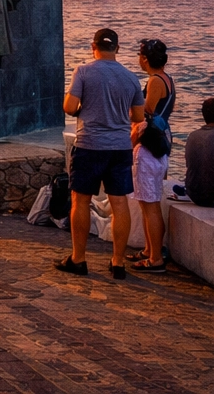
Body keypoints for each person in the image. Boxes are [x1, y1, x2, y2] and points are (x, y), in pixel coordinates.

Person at [57, 28, 145, 279]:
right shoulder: (131, 78)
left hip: (90, 145)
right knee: (119, 203)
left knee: (80, 200)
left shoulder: (83, 72)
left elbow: (69, 107)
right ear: (117, 48)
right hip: (120, 147)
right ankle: (118, 263)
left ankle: (78, 259)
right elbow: (138, 117)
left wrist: (86, 109)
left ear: (92, 47)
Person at [130, 39, 176, 272]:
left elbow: (144, 112)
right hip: (159, 141)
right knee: (149, 202)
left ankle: (155, 258)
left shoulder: (155, 81)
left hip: (148, 145)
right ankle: (150, 250)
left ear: (145, 59)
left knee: (150, 205)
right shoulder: (167, 79)